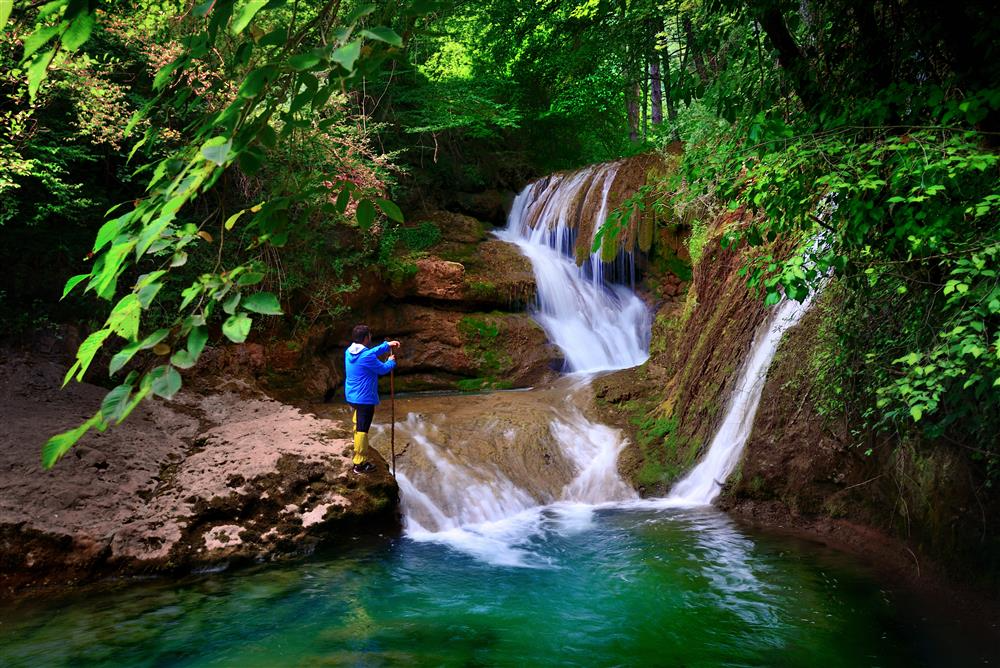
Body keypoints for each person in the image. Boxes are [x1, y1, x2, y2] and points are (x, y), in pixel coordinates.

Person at [344, 324, 400, 474]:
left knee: (358, 421)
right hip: (364, 398)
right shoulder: (366, 356)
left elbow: (370, 353)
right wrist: (391, 361)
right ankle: (359, 464)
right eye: (369, 335)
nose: (371, 337)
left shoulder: (349, 351)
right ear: (365, 338)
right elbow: (382, 369)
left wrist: (386, 345)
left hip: (352, 396)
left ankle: (356, 442)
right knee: (363, 429)